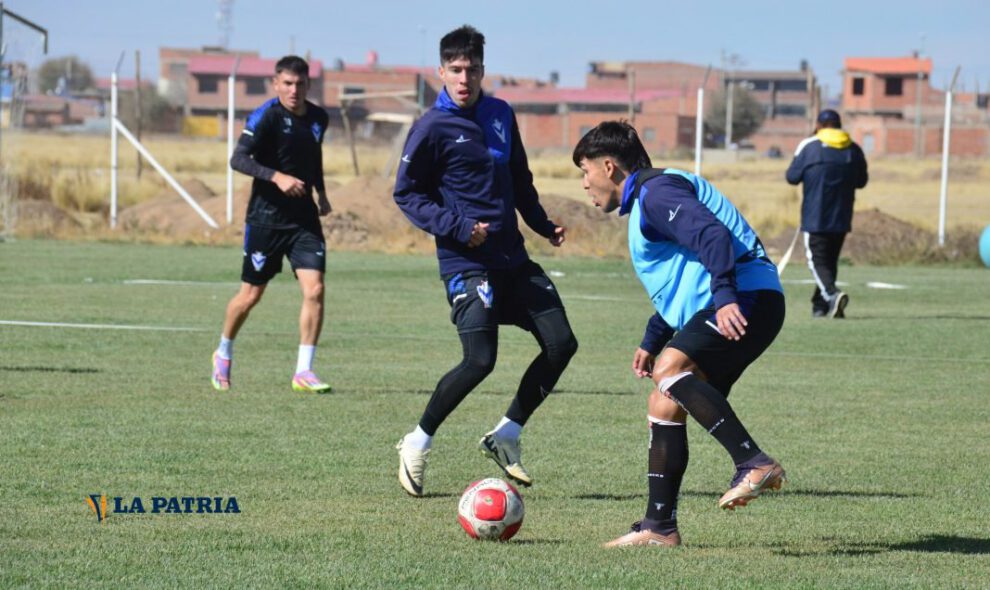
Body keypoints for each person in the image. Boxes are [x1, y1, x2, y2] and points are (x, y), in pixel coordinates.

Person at [572, 121, 786, 547]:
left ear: (609, 167)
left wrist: (726, 297)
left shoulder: (657, 193)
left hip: (746, 296)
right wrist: (653, 337)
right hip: (740, 297)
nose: (584, 184)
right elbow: (683, 278)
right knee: (664, 402)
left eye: (585, 171)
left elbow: (711, 235)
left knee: (670, 370)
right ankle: (659, 527)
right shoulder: (650, 197)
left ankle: (753, 462)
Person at [392, 25, 578, 497]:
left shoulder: (500, 114)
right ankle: (417, 441)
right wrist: (457, 227)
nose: (464, 78)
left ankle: (507, 434)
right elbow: (407, 194)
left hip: (512, 259)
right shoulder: (431, 127)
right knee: (480, 359)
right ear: (440, 71)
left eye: (472, 69)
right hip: (465, 263)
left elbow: (520, 177)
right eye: (455, 69)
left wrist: (541, 223)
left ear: (482, 70)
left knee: (561, 343)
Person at [210, 55, 333, 394]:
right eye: (287, 84)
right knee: (250, 295)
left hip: (303, 219)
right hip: (265, 219)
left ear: (309, 85)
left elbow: (314, 158)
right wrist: (276, 177)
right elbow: (238, 159)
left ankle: (303, 371)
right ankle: (223, 352)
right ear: (276, 83)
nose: (294, 90)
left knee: (316, 289)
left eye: (300, 84)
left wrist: (321, 193)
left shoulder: (319, 118)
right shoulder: (265, 116)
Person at [786, 109, 868, 318]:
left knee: (816, 261)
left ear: (819, 125)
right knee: (829, 262)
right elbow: (861, 181)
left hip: (815, 216)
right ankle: (820, 306)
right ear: (839, 125)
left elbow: (792, 177)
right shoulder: (854, 149)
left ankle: (832, 295)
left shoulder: (809, 145)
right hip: (842, 216)